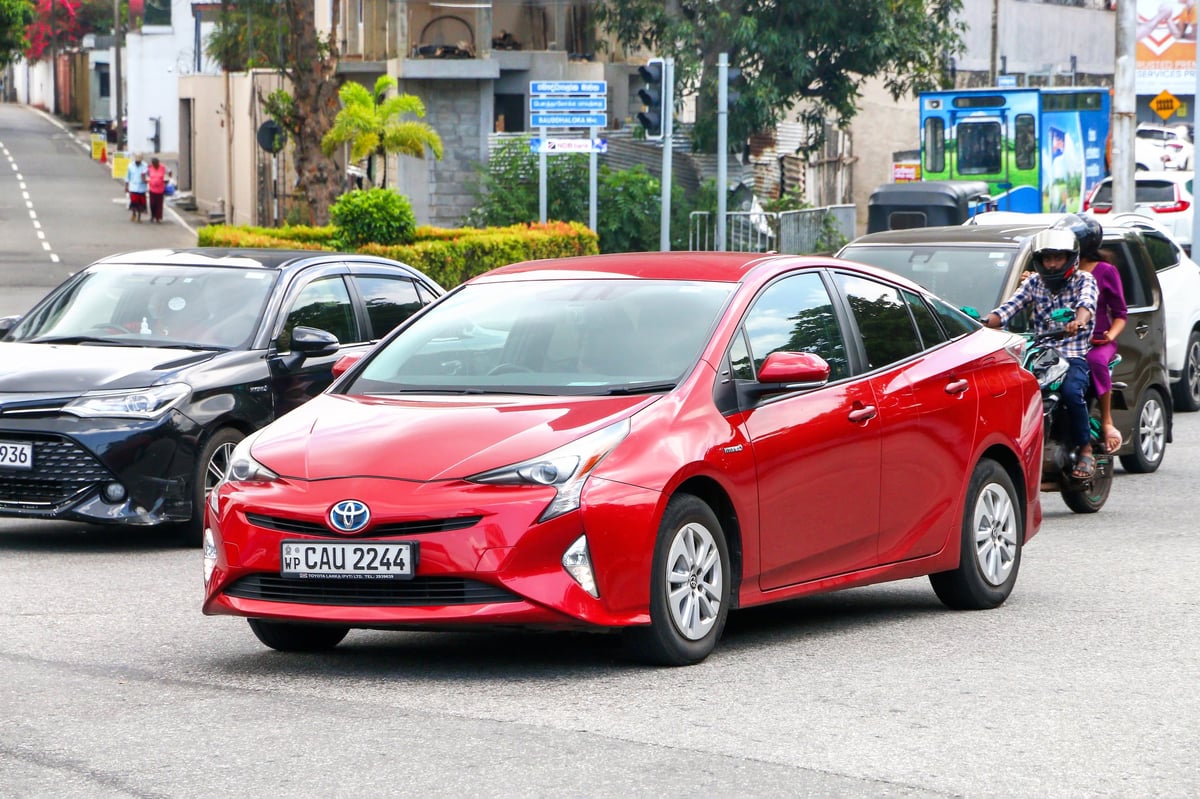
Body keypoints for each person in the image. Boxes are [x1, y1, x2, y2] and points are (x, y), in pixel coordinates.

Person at [985, 228, 1099, 479]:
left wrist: (1078, 321)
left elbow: (1087, 305)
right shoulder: (1034, 282)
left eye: (1058, 257)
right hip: (1040, 355)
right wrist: (979, 323)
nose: (1052, 264)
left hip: (1073, 354)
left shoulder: (1085, 280)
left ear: (1070, 258)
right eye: (1047, 258)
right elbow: (1007, 310)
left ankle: (1086, 449)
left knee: (1072, 392)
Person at [1068, 216, 1127, 454]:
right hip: (1065, 342)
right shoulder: (1057, 271)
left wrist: (1109, 336)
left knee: (1095, 361)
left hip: (1097, 342)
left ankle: (1107, 422)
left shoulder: (1105, 271)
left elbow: (1121, 314)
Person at [125, 153, 149, 223]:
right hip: (133, 187)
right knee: (134, 203)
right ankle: (134, 214)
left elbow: (148, 175)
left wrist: (147, 181)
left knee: (141, 204)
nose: (138, 162)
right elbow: (127, 176)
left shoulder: (145, 166)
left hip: (142, 188)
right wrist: (126, 186)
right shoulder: (130, 166)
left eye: (139, 161)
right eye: (137, 161)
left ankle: (139, 217)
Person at [146, 157, 171, 224]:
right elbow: (144, 173)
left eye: (156, 163)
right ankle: (153, 216)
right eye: (154, 164)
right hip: (152, 189)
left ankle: (158, 218)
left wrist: (168, 179)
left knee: (159, 204)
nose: (155, 165)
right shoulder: (150, 168)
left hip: (160, 189)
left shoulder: (163, 167)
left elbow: (169, 172)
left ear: (158, 163)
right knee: (152, 204)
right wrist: (146, 180)